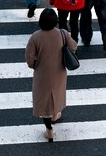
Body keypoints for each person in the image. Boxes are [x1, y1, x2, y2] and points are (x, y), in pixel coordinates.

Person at [25, 8, 77, 142]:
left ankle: (49, 130)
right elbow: (74, 46)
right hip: (59, 72)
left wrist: (36, 64)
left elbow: (30, 60)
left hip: (42, 73)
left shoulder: (35, 37)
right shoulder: (62, 33)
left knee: (43, 101)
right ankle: (55, 114)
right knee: (57, 93)